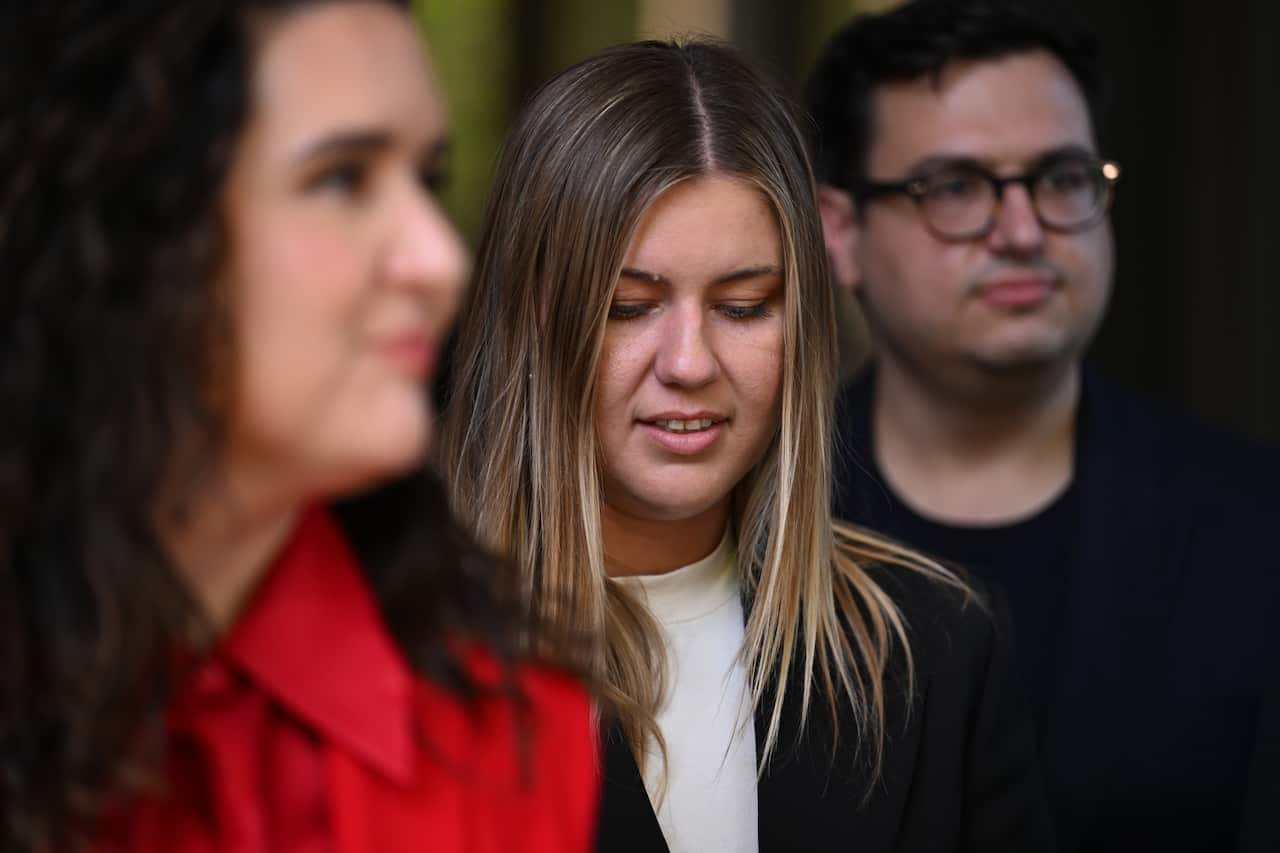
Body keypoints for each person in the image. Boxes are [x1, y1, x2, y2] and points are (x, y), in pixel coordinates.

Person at [0, 2, 597, 850]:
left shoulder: (509, 725)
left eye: (427, 181)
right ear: (135, 230)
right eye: (342, 179)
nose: (440, 259)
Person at [442, 39, 1054, 853]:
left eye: (743, 305)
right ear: (531, 320)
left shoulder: (934, 653)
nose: (689, 363)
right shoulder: (395, 660)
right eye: (628, 307)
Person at [805, 2, 1280, 850]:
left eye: (1061, 178)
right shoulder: (754, 530)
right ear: (840, 231)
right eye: (955, 187)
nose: (1023, 232)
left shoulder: (1255, 528)